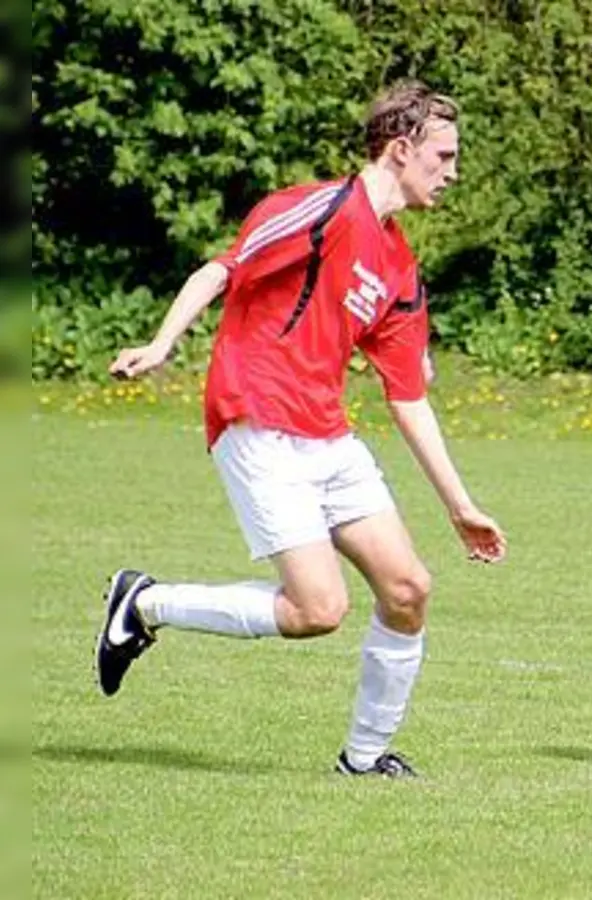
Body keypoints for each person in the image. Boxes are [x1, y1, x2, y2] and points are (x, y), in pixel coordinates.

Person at [97, 80, 506, 778]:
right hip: (256, 418)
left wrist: (459, 504)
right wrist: (163, 344)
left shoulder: (399, 264)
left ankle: (364, 759)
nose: (453, 172)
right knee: (319, 609)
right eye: (443, 156)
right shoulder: (322, 209)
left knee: (408, 590)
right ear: (400, 149)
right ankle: (146, 602)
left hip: (325, 433)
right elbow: (220, 270)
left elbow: (407, 394)